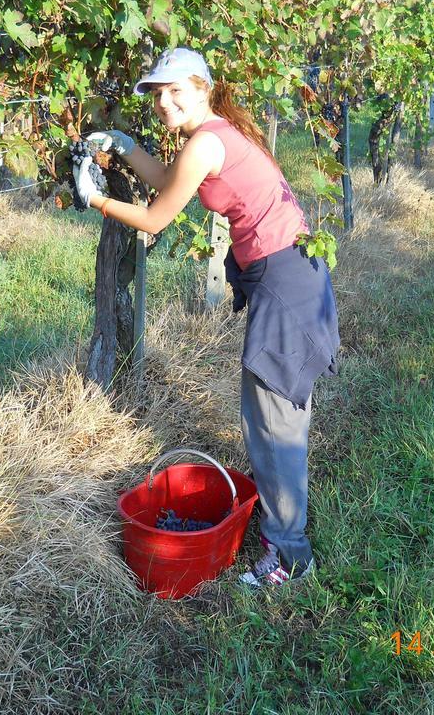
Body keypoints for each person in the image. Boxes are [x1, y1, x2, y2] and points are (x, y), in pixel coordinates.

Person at [73, 47, 340, 589]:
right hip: (291, 275)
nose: (164, 101)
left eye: (176, 90)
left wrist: (95, 200)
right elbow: (171, 177)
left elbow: (154, 215)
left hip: (285, 284)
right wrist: (124, 148)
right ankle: (284, 536)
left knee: (273, 425)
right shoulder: (214, 135)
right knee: (272, 417)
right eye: (157, 92)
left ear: (201, 88)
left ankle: (290, 556)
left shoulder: (207, 141)